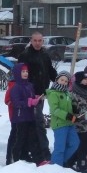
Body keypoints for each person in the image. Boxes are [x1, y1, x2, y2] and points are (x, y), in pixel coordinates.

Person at [17, 31, 57, 159]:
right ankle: (41, 152)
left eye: (40, 40)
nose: (38, 43)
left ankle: (30, 150)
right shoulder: (25, 55)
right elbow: (20, 74)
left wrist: (61, 79)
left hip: (41, 94)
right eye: (35, 40)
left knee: (34, 123)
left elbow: (50, 71)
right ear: (31, 40)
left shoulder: (45, 54)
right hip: (30, 95)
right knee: (37, 123)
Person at [9, 63, 48, 166]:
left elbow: (30, 96)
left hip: (30, 116)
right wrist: (29, 101)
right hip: (20, 118)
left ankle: (38, 160)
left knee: (33, 138)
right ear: (18, 73)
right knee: (20, 139)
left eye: (26, 71)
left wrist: (36, 97)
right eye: (23, 71)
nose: (25, 73)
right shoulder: (16, 87)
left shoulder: (30, 85)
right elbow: (16, 103)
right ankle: (16, 158)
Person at [46, 71, 80, 169]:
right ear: (57, 80)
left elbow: (69, 106)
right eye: (62, 80)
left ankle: (61, 162)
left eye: (66, 81)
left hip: (69, 123)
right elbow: (55, 110)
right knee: (60, 147)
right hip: (59, 124)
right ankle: (56, 167)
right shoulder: (53, 93)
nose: (64, 82)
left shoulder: (67, 93)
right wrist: (68, 116)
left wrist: (74, 109)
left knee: (75, 143)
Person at [70, 71, 87, 173]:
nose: (86, 81)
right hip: (79, 124)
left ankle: (83, 161)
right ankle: (80, 164)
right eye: (84, 79)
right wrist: (83, 114)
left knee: (86, 144)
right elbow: (74, 110)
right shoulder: (74, 94)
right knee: (82, 144)